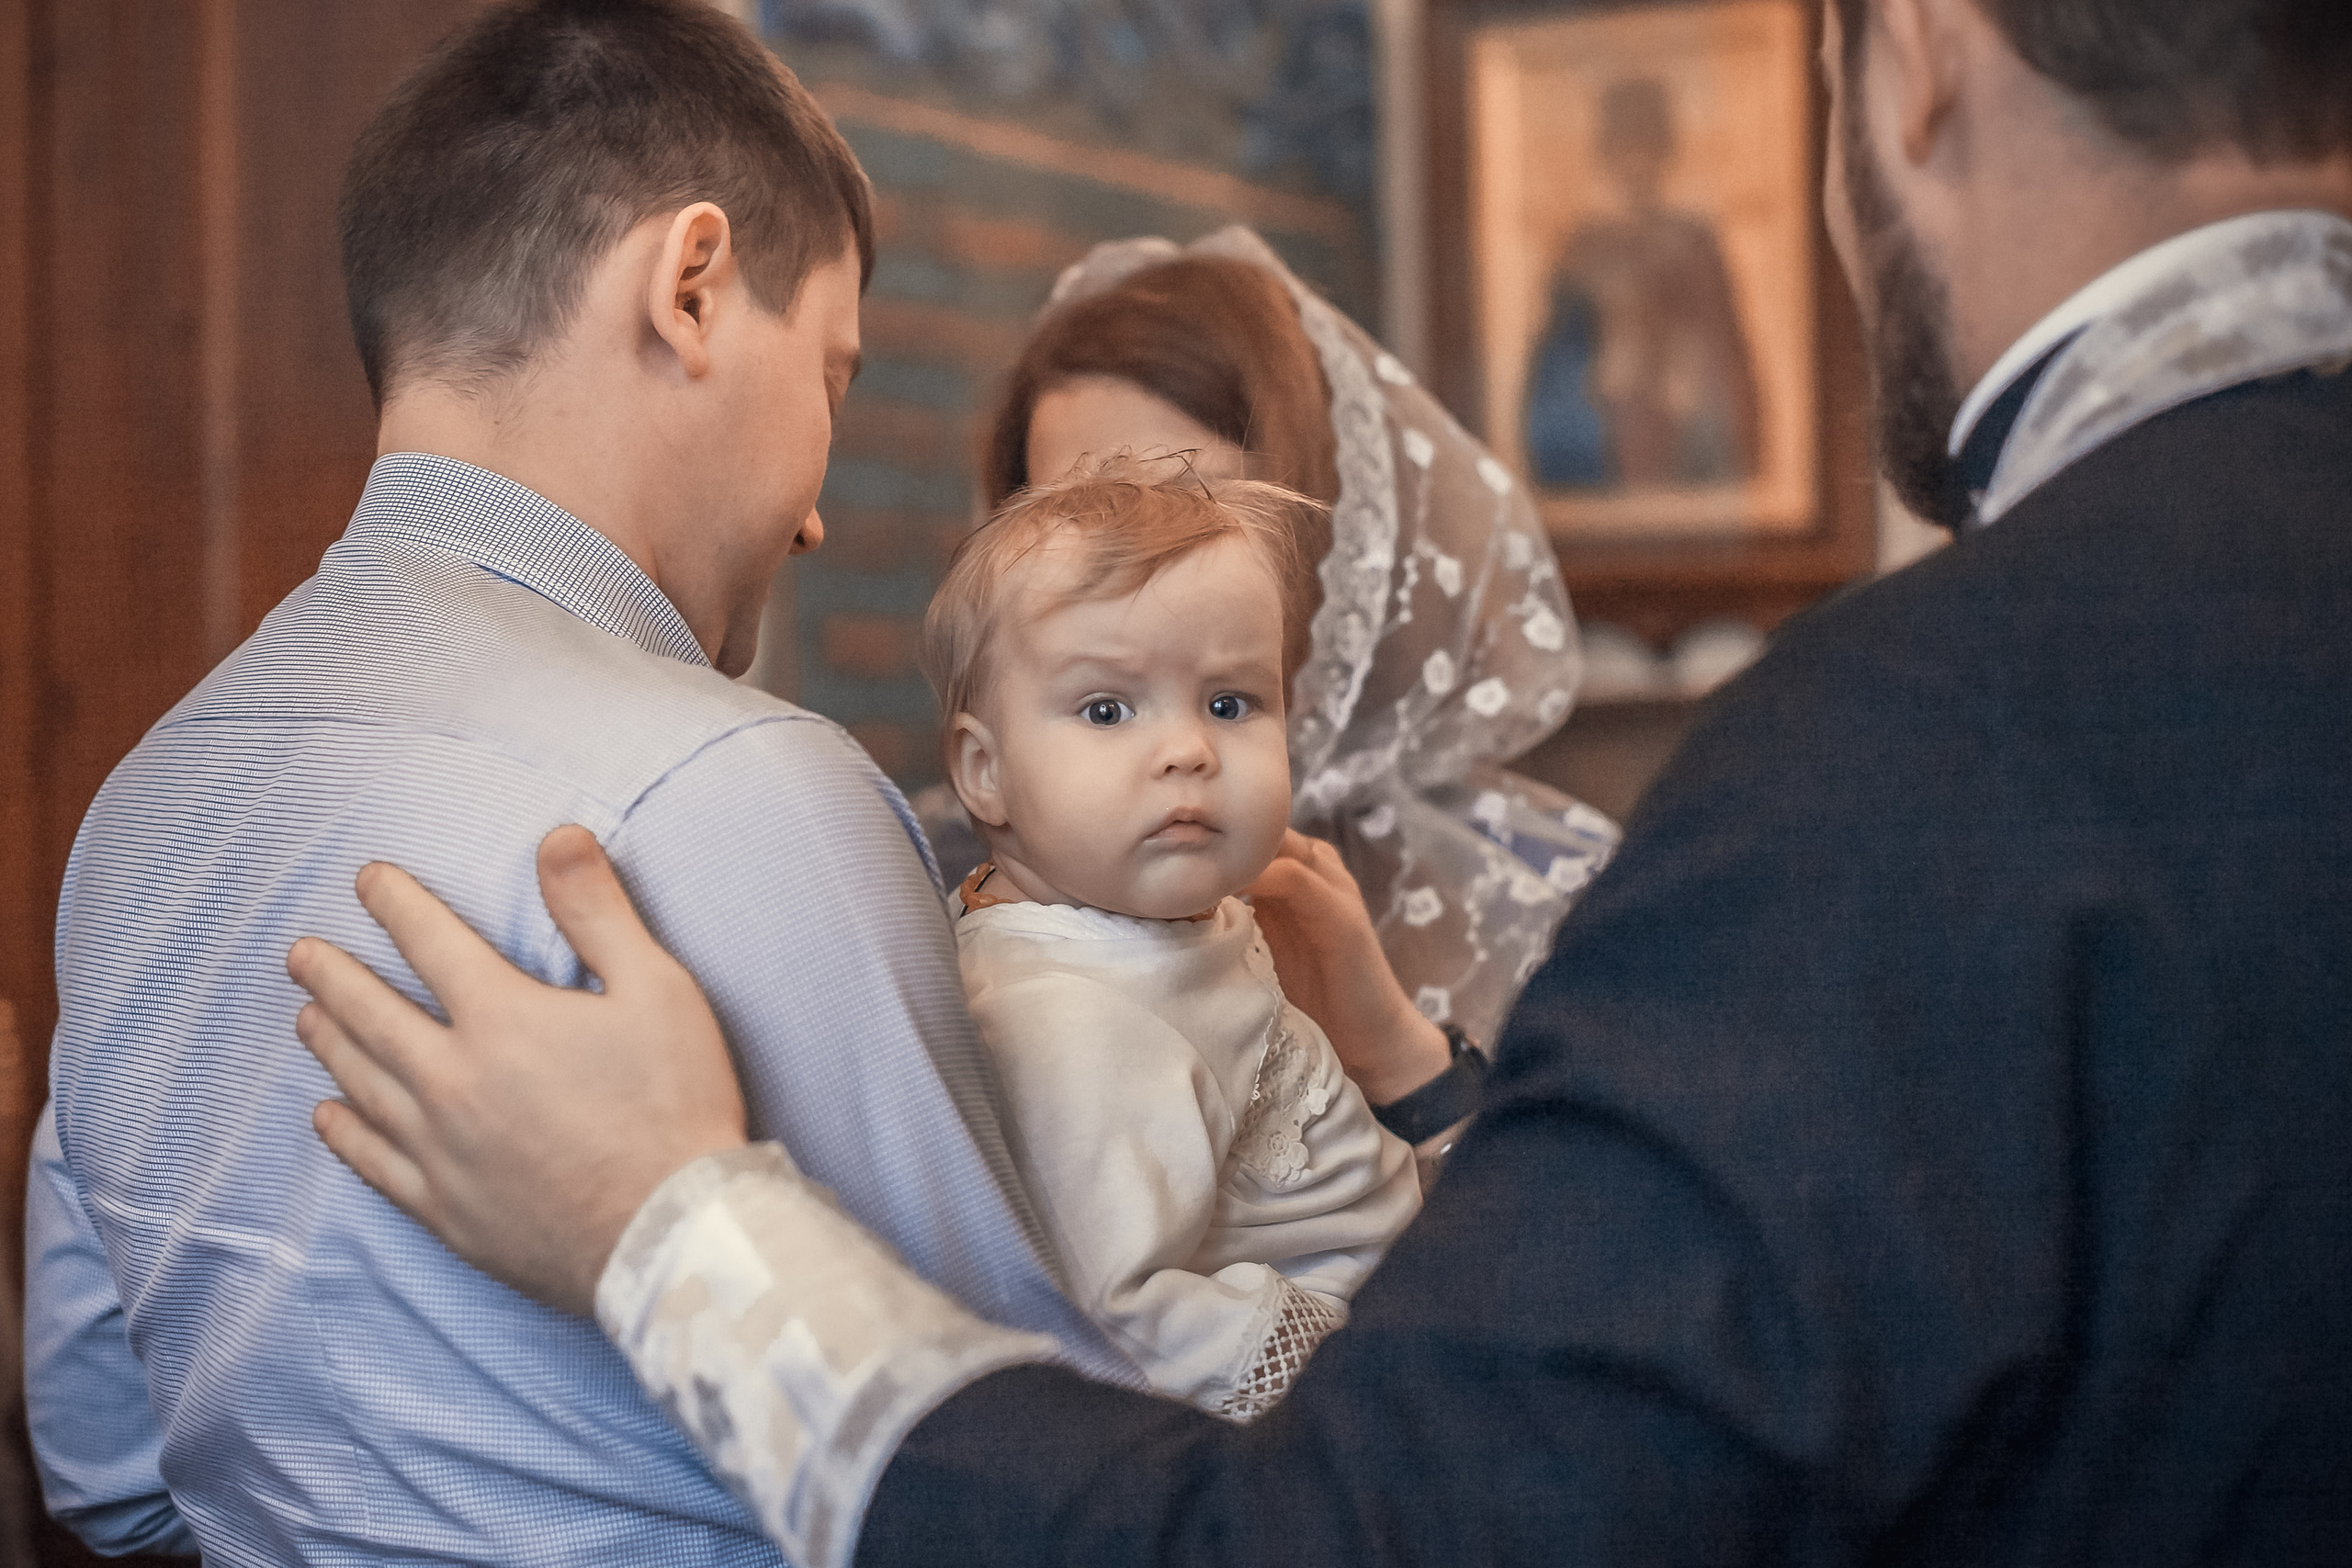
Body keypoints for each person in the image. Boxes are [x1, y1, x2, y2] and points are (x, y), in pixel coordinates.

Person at [288, 0, 2352, 1562]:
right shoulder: (886, 881)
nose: (1162, 724)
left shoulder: (1904, 763)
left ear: (1905, 62)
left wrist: (661, 1219)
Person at [22, 2, 1136, 1561]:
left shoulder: (138, 814)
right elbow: (1022, 1495)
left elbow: (112, 1468)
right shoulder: (737, 794)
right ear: (690, 287)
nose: (816, 513)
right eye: (832, 374)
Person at [925, 227, 1620, 1052]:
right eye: (1085, 518)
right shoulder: (942, 881)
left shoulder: (1544, 895)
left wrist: (1409, 1066)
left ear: (1323, 526)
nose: (1148, 585)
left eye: (1201, 514)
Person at [922, 461, 1421, 1418]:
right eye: (1107, 710)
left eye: (1230, 704)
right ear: (982, 772)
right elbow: (1126, 1312)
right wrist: (1348, 1369)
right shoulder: (1067, 1021)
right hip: (1334, 1400)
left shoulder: (1139, 921)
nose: (1189, 749)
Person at [1524, 76, 1762, 490]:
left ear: (1665, 151)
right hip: (1599, 439)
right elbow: (1554, 377)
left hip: (1684, 433)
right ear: (1606, 154)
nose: (1635, 164)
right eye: (1623, 149)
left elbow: (1728, 366)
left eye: (1646, 148)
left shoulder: (1694, 244)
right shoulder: (1582, 250)